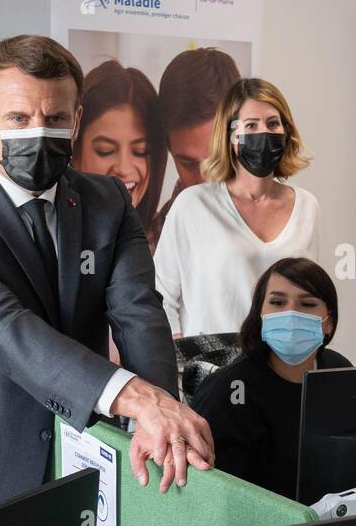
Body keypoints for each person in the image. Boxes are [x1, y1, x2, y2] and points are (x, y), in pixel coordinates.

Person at [0, 35, 213, 526]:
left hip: (84, 472)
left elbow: (138, 312)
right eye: (18, 118)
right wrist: (138, 401)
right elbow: (3, 329)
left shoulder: (108, 200)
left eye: (56, 119)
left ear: (76, 120)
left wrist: (163, 419)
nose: (39, 132)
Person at [153, 77, 320, 337]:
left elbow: (310, 296)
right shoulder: (193, 205)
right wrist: (183, 362)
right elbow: (161, 295)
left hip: (281, 366)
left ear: (286, 133)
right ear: (231, 137)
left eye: (273, 123)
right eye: (251, 125)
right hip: (212, 368)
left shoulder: (307, 206)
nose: (263, 133)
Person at [192, 258, 349, 499]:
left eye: (307, 304)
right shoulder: (230, 390)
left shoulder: (339, 371)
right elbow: (213, 492)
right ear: (260, 315)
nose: (291, 313)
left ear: (329, 322)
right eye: (277, 302)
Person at [71, 60, 167, 252]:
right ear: (75, 154)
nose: (124, 168)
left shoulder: (169, 239)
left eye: (140, 151)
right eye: (105, 151)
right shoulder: (51, 235)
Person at [150, 47, 242, 243]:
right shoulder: (152, 244)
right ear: (169, 147)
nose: (205, 179)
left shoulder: (284, 223)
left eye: (217, 159)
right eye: (189, 164)